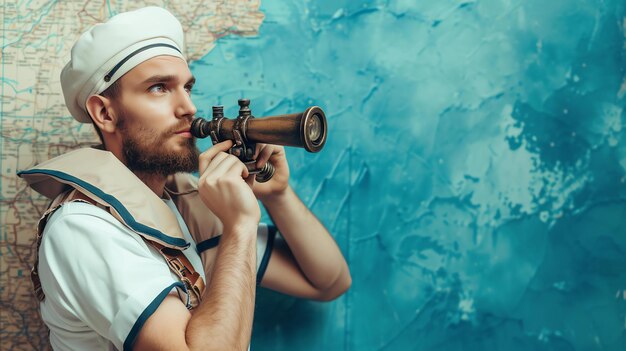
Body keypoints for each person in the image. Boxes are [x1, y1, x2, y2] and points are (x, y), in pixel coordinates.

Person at [18, 6, 351, 351]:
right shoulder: (83, 228)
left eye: (187, 88)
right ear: (105, 113)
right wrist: (240, 225)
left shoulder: (184, 202)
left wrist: (277, 196)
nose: (188, 108)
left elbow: (328, 282)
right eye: (159, 88)